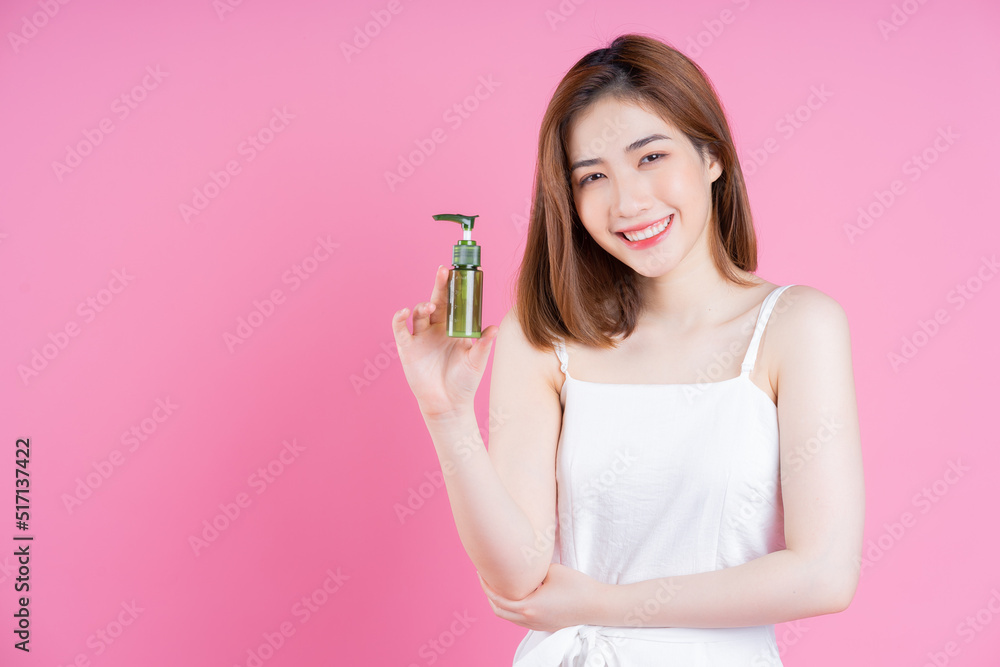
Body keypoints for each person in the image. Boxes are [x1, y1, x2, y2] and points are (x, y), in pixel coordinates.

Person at [391, 32, 864, 666]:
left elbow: (824, 574)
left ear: (712, 155)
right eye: (593, 176)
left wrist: (600, 605)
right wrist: (446, 414)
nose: (628, 202)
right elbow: (516, 580)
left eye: (650, 157)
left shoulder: (796, 326)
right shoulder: (545, 338)